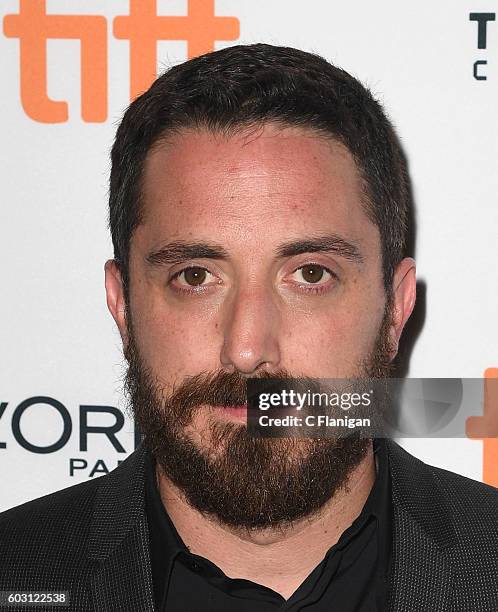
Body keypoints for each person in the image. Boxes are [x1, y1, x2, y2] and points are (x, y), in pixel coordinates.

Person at [0, 43, 496, 612]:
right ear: (122, 304)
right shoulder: (16, 567)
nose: (246, 348)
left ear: (395, 308)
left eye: (310, 274)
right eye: (195, 276)